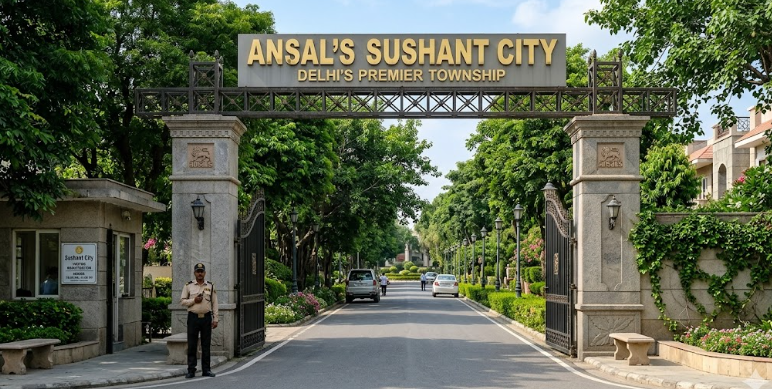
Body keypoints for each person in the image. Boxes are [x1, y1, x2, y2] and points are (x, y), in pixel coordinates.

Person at [180, 263, 218, 378]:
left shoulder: (210, 286)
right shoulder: (188, 286)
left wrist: (215, 318)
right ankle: (191, 370)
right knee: (192, 344)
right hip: (193, 318)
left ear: (205, 273)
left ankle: (206, 370)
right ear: (194, 273)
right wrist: (193, 300)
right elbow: (182, 301)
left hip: (206, 318)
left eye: (202, 271)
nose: (200, 273)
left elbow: (215, 303)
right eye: (198, 271)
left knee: (206, 345)